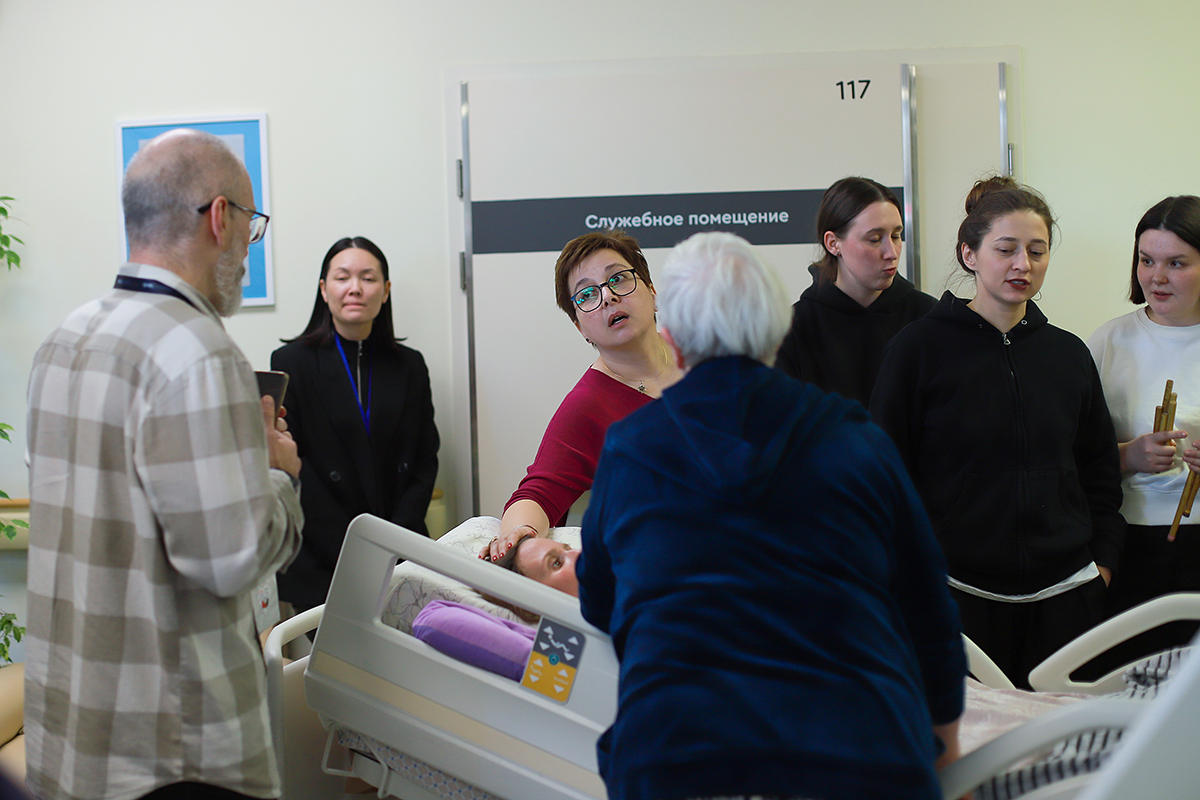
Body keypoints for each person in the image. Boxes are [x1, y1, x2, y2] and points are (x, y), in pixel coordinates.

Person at [577, 232, 967, 800]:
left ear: (673, 343)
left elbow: (599, 601)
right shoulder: (857, 442)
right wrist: (947, 751)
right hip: (860, 756)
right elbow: (928, 607)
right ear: (778, 330)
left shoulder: (629, 452)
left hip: (676, 760)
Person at [24, 129, 304, 800]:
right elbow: (231, 559)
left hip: (72, 733)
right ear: (220, 218)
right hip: (172, 751)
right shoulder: (200, 351)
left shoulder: (64, 340)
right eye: (250, 225)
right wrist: (278, 475)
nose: (247, 247)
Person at [870, 176, 1125, 689]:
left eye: (1037, 251)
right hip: (956, 596)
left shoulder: (1068, 354)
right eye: (1006, 249)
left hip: (1066, 597)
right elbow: (883, 476)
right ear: (970, 254)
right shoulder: (917, 350)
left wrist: (1103, 563)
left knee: (1066, 737)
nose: (1022, 265)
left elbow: (1098, 470)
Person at [479, 230, 682, 562]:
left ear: (652, 291)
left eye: (618, 279)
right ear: (580, 328)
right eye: (587, 294)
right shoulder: (588, 406)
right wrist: (519, 535)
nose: (608, 297)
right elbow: (535, 496)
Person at [271, 236, 439, 612]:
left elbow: (425, 459)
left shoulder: (410, 365)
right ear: (324, 289)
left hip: (399, 549)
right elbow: (296, 466)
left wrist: (392, 542)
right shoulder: (291, 362)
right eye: (342, 277)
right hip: (320, 555)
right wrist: (354, 549)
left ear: (386, 290)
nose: (355, 288)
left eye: (368, 278)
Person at [1087, 196, 1200, 654]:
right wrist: (1126, 456)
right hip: (1127, 541)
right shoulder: (1108, 341)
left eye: (1177, 263)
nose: (1156, 277)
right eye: (1146, 260)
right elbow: (1071, 458)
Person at [775, 176, 935, 404]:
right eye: (874, 239)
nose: (891, 252)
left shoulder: (927, 316)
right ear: (833, 244)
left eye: (896, 236)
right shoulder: (793, 328)